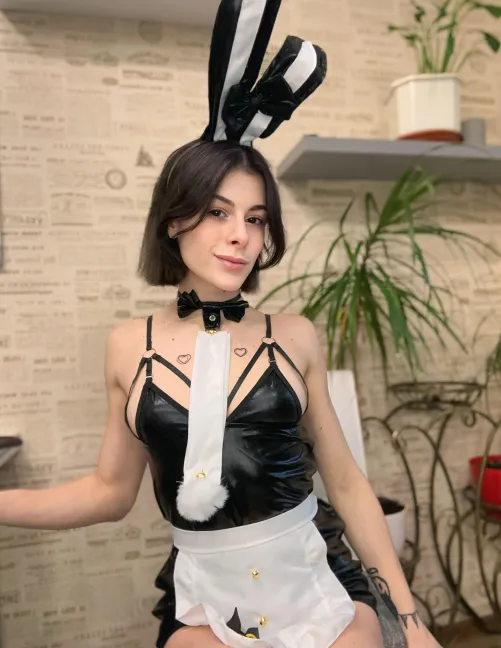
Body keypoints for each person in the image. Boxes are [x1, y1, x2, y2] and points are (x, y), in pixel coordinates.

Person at [0, 1, 443, 647]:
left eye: (255, 219)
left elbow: (347, 484)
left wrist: (408, 618)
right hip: (206, 592)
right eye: (217, 212)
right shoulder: (127, 347)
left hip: (314, 573)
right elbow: (109, 492)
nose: (241, 236)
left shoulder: (294, 335)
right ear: (174, 220)